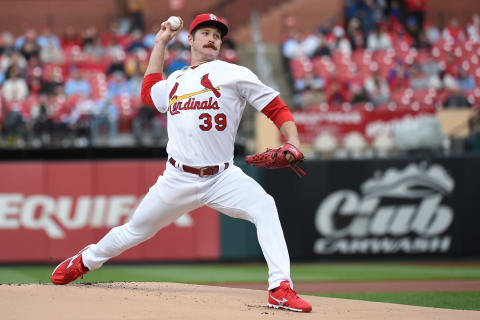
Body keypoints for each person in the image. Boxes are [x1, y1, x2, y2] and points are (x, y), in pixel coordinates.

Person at [50, 13, 312, 313]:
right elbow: (149, 93)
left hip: (222, 176)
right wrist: (160, 43)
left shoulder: (234, 73)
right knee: (136, 230)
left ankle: (280, 288)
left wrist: (293, 141)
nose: (212, 38)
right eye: (205, 33)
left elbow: (276, 107)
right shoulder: (175, 79)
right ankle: (85, 260)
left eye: (217, 34)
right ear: (190, 39)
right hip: (177, 177)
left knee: (265, 207)